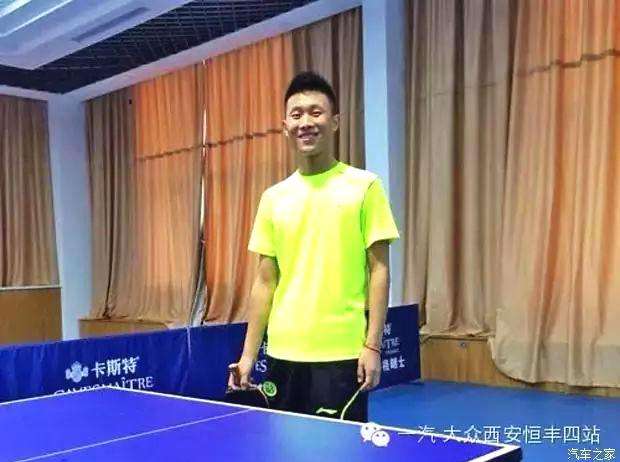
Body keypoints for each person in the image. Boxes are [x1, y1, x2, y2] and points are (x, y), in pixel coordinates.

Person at [227, 71, 399, 422]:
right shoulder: (273, 198)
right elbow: (265, 282)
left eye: (316, 112)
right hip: (282, 354)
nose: (305, 122)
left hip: (341, 356)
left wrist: (372, 345)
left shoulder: (365, 187)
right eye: (297, 114)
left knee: (338, 448)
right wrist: (247, 356)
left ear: (334, 122)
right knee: (283, 446)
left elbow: (379, 271)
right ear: (285, 127)